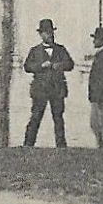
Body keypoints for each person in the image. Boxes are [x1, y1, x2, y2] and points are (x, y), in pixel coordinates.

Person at [22, 18, 74, 148]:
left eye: (50, 32)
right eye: (45, 32)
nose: (49, 34)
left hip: (57, 89)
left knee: (58, 119)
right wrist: (41, 65)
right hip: (40, 90)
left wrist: (58, 65)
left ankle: (61, 147)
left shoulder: (61, 50)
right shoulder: (34, 50)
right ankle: (28, 145)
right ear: (40, 34)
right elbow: (27, 66)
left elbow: (70, 64)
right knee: (35, 117)